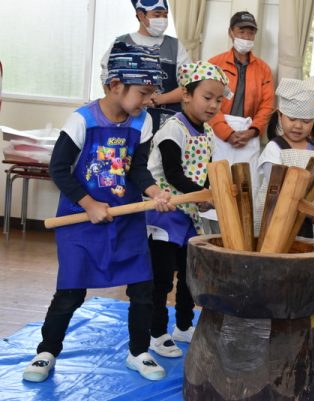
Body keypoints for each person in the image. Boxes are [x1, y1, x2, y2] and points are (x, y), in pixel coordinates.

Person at [22, 42, 175, 383]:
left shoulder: (143, 122)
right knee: (71, 291)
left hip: (126, 219)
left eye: (151, 93)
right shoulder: (83, 119)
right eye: (143, 92)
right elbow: (58, 169)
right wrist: (89, 204)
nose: (148, 100)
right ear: (115, 85)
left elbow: (137, 169)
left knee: (142, 288)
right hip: (81, 221)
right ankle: (46, 351)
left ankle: (139, 352)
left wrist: (154, 192)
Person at [145, 61, 229, 357]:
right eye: (207, 97)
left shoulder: (208, 133)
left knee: (189, 276)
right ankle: (156, 332)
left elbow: (206, 171)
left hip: (189, 214)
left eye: (219, 100)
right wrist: (201, 195)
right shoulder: (173, 128)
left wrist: (209, 192)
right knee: (162, 279)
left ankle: (183, 325)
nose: (213, 105)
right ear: (186, 95)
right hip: (165, 212)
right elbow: (172, 174)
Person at [205, 11, 275, 233]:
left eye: (250, 32)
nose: (246, 36)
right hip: (218, 133)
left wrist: (253, 130)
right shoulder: (214, 64)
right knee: (219, 183)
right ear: (231, 32)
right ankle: (214, 234)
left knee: (247, 187)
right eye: (241, 31)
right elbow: (208, 102)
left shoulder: (263, 69)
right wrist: (225, 132)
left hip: (249, 133)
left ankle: (242, 235)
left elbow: (267, 105)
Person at [256, 77, 314, 239]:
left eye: (306, 121)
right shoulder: (274, 148)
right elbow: (276, 187)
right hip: (273, 219)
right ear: (280, 115)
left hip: (304, 225)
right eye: (292, 119)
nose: (298, 126)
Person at [100, 0, 192, 133]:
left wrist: (159, 99)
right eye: (157, 14)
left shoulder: (174, 46)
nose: (162, 19)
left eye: (165, 15)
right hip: (127, 120)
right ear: (141, 15)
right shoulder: (122, 43)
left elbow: (189, 84)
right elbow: (106, 79)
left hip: (166, 120)